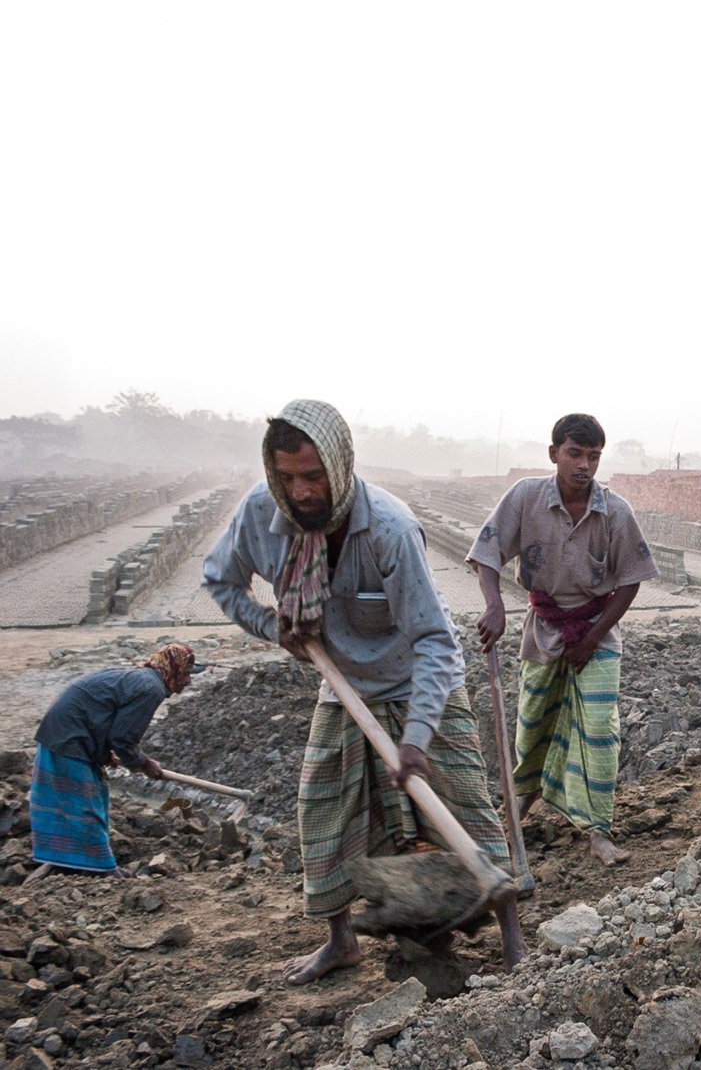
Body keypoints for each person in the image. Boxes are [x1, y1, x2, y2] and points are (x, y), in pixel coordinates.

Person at [203, 399, 523, 984]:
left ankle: (513, 943)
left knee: (465, 805)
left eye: (313, 476)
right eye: (288, 477)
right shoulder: (259, 515)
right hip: (343, 681)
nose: (300, 492)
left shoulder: (391, 529)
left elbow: (434, 640)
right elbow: (218, 579)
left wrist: (418, 738)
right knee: (322, 809)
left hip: (420, 677)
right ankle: (340, 941)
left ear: (341, 464)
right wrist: (271, 627)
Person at [468, 414, 658, 867]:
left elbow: (630, 581)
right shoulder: (525, 498)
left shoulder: (616, 512)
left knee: (598, 731)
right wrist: (494, 605)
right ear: (554, 453)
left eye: (593, 457)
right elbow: (487, 553)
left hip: (597, 628)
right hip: (544, 626)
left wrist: (591, 638)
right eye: (575, 454)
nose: (584, 466)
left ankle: (598, 830)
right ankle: (519, 808)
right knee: (534, 724)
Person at [29, 644, 198, 878]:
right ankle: (102, 869)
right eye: (186, 673)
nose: (188, 681)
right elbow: (122, 738)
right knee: (84, 804)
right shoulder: (151, 688)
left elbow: (105, 716)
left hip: (66, 732)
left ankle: (71, 861)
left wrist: (105, 752)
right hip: (70, 737)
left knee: (86, 798)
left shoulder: (142, 678)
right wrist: (143, 763)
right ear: (173, 669)